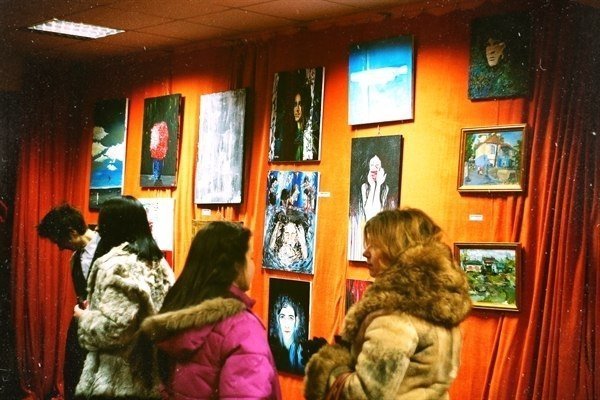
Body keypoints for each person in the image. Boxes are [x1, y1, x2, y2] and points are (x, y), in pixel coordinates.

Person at [304, 208, 472, 399]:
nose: (365, 252)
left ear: (396, 249)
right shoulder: (437, 304)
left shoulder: (395, 319)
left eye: (374, 245)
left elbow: (363, 395)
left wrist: (328, 365)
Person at [140, 221, 281, 399]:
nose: (253, 265)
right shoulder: (242, 328)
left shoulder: (176, 312)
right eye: (250, 257)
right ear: (236, 265)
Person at [73, 195, 175, 399]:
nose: (98, 229)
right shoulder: (159, 263)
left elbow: (114, 330)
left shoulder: (116, 265)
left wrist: (84, 318)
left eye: (102, 223)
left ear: (114, 227)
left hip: (119, 379)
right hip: (152, 372)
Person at [37, 204, 100, 400]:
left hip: (105, 330)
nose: (60, 247)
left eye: (60, 241)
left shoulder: (111, 247)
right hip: (82, 326)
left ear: (72, 232)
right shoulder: (74, 259)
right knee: (73, 378)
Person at [269, 295, 306, 375]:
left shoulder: (300, 352)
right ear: (278, 319)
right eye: (282, 317)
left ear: (296, 321)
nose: (286, 323)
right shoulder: (271, 348)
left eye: (290, 317)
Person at [361, 154, 389, 221]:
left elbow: (376, 213)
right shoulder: (364, 186)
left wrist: (378, 185)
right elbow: (368, 213)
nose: (374, 168)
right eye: (371, 165)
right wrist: (373, 186)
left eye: (377, 165)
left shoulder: (385, 188)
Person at [150, 121, 169, 185]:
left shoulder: (159, 129)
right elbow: (154, 140)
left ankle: (157, 176)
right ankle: (156, 176)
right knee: (158, 162)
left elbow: (158, 141)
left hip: (158, 150)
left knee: (158, 162)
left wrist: (154, 147)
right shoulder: (158, 129)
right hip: (158, 150)